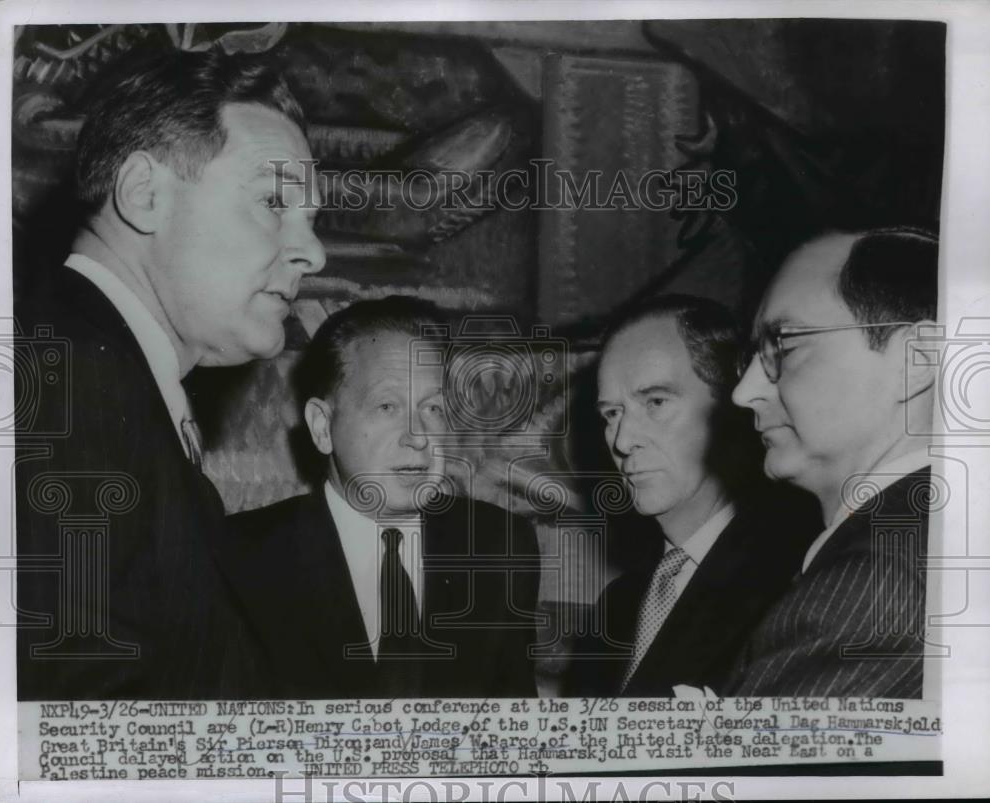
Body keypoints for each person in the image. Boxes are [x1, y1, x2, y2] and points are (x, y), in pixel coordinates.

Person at [15, 48, 327, 699]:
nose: (314, 252)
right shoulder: (73, 382)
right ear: (144, 195)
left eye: (312, 219)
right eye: (274, 201)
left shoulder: (99, 375)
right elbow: (80, 728)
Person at [218, 297, 541, 698]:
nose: (418, 436)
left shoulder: (499, 545)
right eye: (387, 406)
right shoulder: (239, 558)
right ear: (322, 427)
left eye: (434, 409)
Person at [566, 294, 817, 697]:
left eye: (656, 402)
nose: (624, 440)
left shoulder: (797, 586)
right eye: (611, 413)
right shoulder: (617, 607)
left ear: (733, 406)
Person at [728, 227, 938, 698]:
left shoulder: (878, 580)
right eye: (752, 356)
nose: (744, 393)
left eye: (784, 346)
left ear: (918, 359)